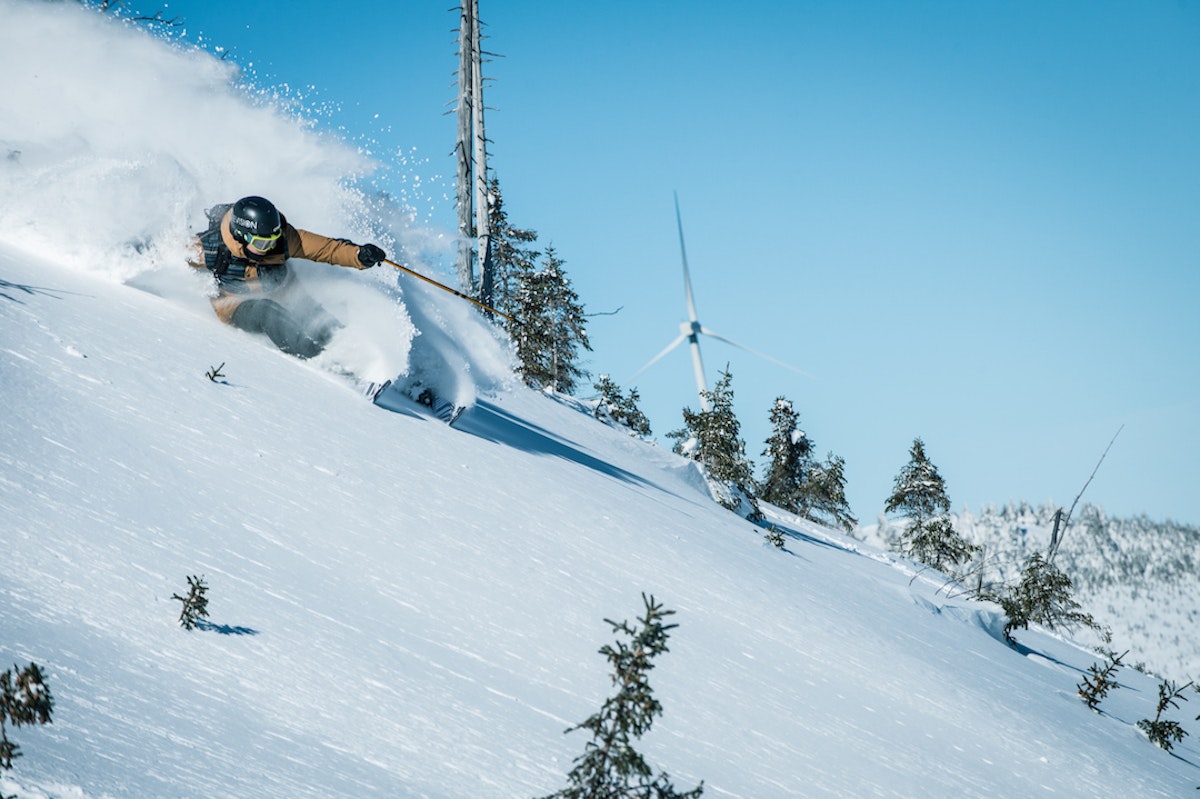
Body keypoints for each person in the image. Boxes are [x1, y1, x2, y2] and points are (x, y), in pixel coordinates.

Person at [188, 195, 387, 359]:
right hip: (235, 303)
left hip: (282, 289)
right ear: (241, 235)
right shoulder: (209, 249)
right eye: (261, 244)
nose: (269, 248)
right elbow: (170, 255)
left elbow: (326, 249)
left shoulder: (284, 239)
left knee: (320, 320)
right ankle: (320, 359)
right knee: (267, 312)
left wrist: (359, 255)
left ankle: (359, 360)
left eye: (272, 241)